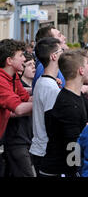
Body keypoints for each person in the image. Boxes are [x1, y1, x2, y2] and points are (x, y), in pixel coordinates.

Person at [29, 37, 64, 176]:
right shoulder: (50, 88)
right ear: (54, 56)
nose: (64, 54)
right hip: (47, 152)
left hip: (41, 150)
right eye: (62, 51)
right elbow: (53, 125)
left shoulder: (44, 83)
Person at [0, 40, 33, 176]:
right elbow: (18, 108)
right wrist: (45, 102)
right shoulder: (1, 80)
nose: (24, 59)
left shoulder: (14, 77)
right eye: (20, 55)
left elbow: (26, 99)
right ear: (9, 60)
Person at [32, 26, 68, 90]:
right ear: (50, 42)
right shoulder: (43, 67)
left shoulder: (52, 64)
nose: (64, 37)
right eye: (59, 35)